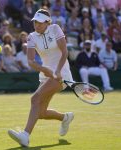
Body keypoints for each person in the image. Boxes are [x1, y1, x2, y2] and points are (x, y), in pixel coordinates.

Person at [8, 9, 74, 147]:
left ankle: (25, 136)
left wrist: (57, 71)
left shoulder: (55, 29)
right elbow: (31, 62)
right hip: (46, 75)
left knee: (35, 99)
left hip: (62, 73)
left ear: (47, 23)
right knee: (41, 112)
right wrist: (45, 70)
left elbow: (64, 52)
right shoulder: (31, 37)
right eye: (35, 22)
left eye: (40, 22)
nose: (37, 25)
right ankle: (65, 117)